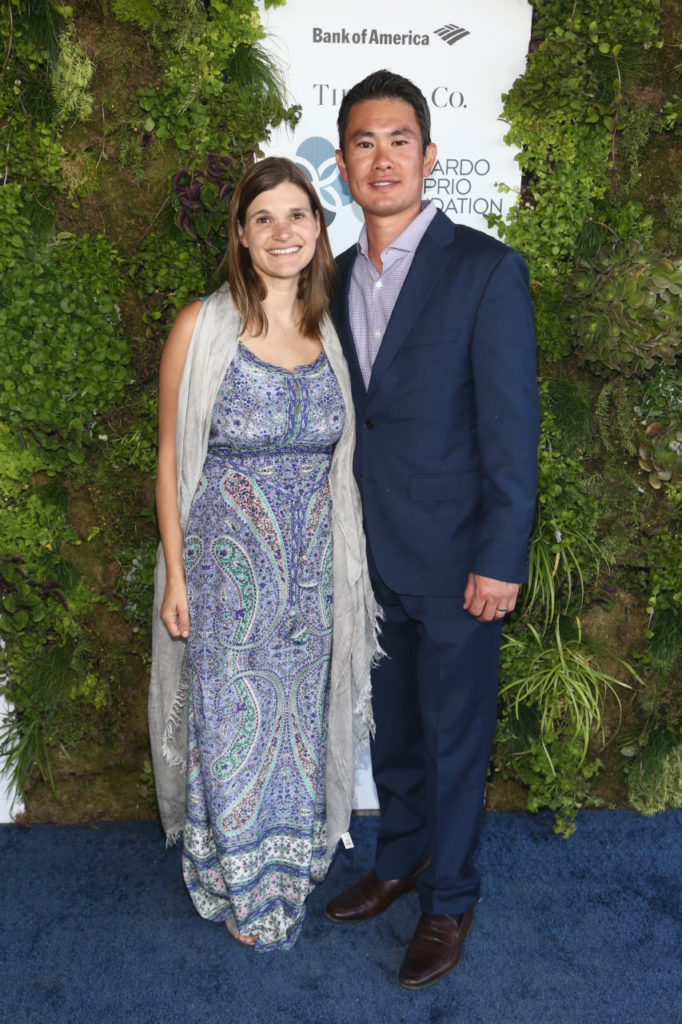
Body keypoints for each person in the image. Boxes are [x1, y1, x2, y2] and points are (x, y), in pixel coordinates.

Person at [324, 71, 540, 988]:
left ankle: (449, 900)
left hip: (458, 562)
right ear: (341, 163)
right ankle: (402, 858)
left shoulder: (486, 269)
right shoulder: (328, 278)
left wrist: (500, 556)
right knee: (396, 736)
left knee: (455, 739)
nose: (382, 158)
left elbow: (511, 427)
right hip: (365, 557)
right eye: (364, 142)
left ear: (429, 156)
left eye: (399, 140)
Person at [148, 157, 381, 951]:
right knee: (233, 728)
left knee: (294, 725)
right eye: (264, 219)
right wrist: (177, 578)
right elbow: (171, 458)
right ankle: (240, 878)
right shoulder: (200, 326)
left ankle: (289, 859)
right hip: (225, 575)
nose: (283, 232)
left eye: (298, 215)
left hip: (312, 576)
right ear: (242, 239)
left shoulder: (331, 330)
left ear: (319, 228)